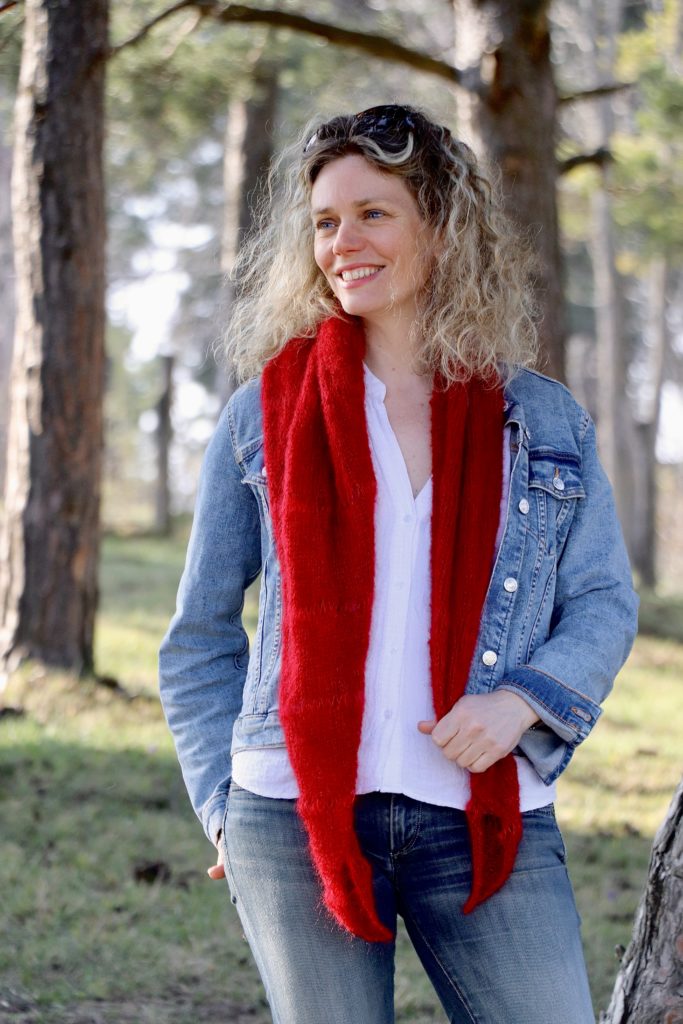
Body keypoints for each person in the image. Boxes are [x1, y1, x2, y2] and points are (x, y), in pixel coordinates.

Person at [159, 104, 639, 1024]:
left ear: (442, 227)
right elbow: (199, 633)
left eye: (373, 214)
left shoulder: (541, 420)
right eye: (325, 222)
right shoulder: (264, 415)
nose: (342, 243)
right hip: (291, 819)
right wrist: (223, 803)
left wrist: (520, 701)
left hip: (484, 810)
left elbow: (602, 602)